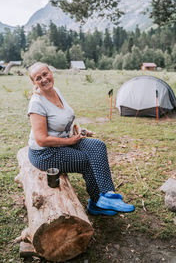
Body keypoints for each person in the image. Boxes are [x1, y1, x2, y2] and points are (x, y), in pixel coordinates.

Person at [27, 62, 135, 216]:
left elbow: (64, 119)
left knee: (98, 146)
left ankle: (107, 195)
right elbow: (41, 139)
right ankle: (96, 202)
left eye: (45, 74)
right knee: (85, 160)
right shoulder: (37, 103)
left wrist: (80, 131)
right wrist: (69, 142)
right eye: (38, 78)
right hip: (44, 153)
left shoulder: (55, 90)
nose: (44, 79)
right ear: (34, 82)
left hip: (64, 140)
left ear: (50, 72)